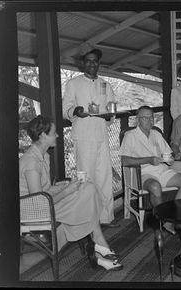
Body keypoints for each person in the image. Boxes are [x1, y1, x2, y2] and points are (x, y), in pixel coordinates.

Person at [19, 115, 123, 271]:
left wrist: (65, 186)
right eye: (54, 133)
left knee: (87, 187)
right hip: (34, 212)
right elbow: (38, 201)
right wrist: (67, 191)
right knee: (86, 197)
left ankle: (98, 245)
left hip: (45, 204)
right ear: (42, 136)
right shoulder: (31, 162)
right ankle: (98, 246)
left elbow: (45, 190)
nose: (58, 135)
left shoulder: (43, 155)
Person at [62, 45, 119, 227]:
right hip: (84, 136)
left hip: (101, 135)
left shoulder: (105, 84)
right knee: (86, 178)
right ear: (83, 64)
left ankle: (106, 217)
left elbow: (111, 109)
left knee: (104, 177)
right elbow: (66, 110)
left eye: (95, 61)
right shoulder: (73, 84)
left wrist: (110, 115)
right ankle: (87, 219)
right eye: (88, 61)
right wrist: (76, 111)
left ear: (98, 63)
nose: (92, 64)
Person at [118, 106, 181, 235]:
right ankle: (165, 220)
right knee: (155, 187)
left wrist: (173, 158)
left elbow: (168, 154)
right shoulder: (130, 136)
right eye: (145, 118)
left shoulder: (156, 134)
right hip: (142, 173)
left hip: (162, 169)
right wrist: (148, 160)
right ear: (138, 120)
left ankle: (173, 217)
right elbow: (125, 161)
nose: (149, 121)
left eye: (151, 117)